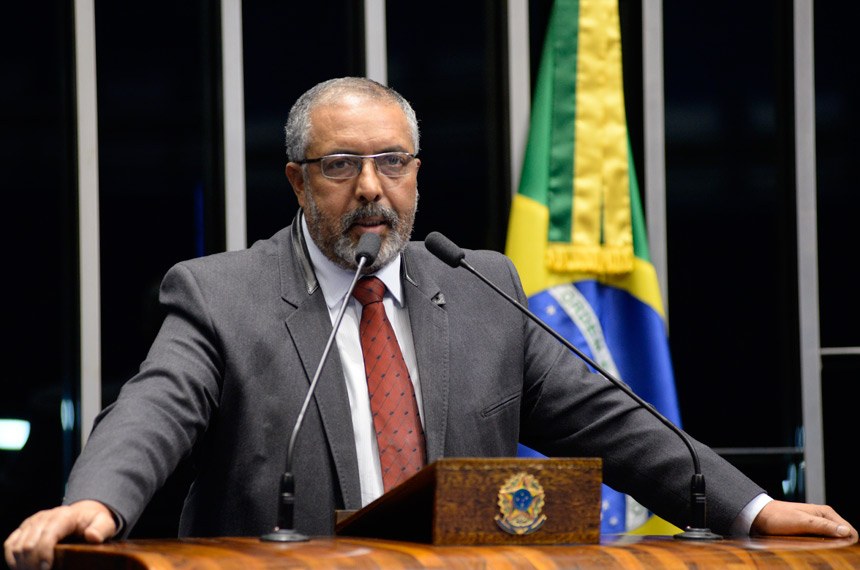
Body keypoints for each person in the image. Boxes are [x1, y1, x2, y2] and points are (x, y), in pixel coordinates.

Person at [5, 77, 856, 569]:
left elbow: (619, 424)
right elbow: (153, 409)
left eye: (392, 163)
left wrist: (751, 513)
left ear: (416, 174)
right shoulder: (223, 294)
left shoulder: (480, 285)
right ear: (299, 183)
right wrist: (96, 504)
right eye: (342, 166)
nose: (371, 188)